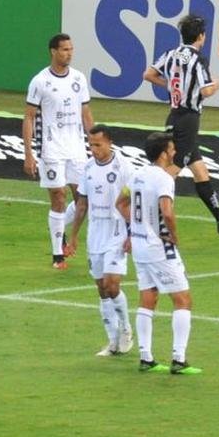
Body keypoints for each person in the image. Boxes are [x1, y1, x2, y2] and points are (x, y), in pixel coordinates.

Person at [142, 14, 219, 236]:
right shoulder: (198, 59)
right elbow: (206, 90)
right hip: (189, 120)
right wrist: (216, 85)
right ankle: (145, 210)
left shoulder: (170, 54)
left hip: (174, 115)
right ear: (201, 36)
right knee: (174, 169)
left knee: (200, 171)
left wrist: (170, 86)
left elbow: (148, 74)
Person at [116, 132, 201, 375]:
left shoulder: (138, 175)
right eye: (172, 149)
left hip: (140, 247)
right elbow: (167, 211)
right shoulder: (164, 179)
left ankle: (146, 357)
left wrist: (136, 228)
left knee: (148, 298)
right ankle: (179, 359)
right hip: (159, 248)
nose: (174, 152)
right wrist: (173, 236)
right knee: (182, 300)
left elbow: (120, 203)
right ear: (164, 153)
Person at [22, 33, 94, 270]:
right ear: (53, 51)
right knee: (58, 197)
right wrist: (29, 154)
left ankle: (61, 230)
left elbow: (86, 113)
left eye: (71, 49)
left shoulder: (79, 79)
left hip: (76, 148)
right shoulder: (40, 81)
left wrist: (95, 144)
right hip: (51, 148)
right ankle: (57, 255)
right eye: (64, 50)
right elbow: (29, 118)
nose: (69, 53)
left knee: (84, 198)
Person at [67, 125, 134, 356]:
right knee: (101, 289)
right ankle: (112, 341)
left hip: (117, 229)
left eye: (98, 145)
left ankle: (126, 329)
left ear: (109, 143)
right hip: (95, 232)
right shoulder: (87, 168)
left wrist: (132, 233)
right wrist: (74, 237)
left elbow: (134, 202)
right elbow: (82, 204)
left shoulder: (124, 166)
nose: (93, 149)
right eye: (91, 145)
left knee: (111, 284)